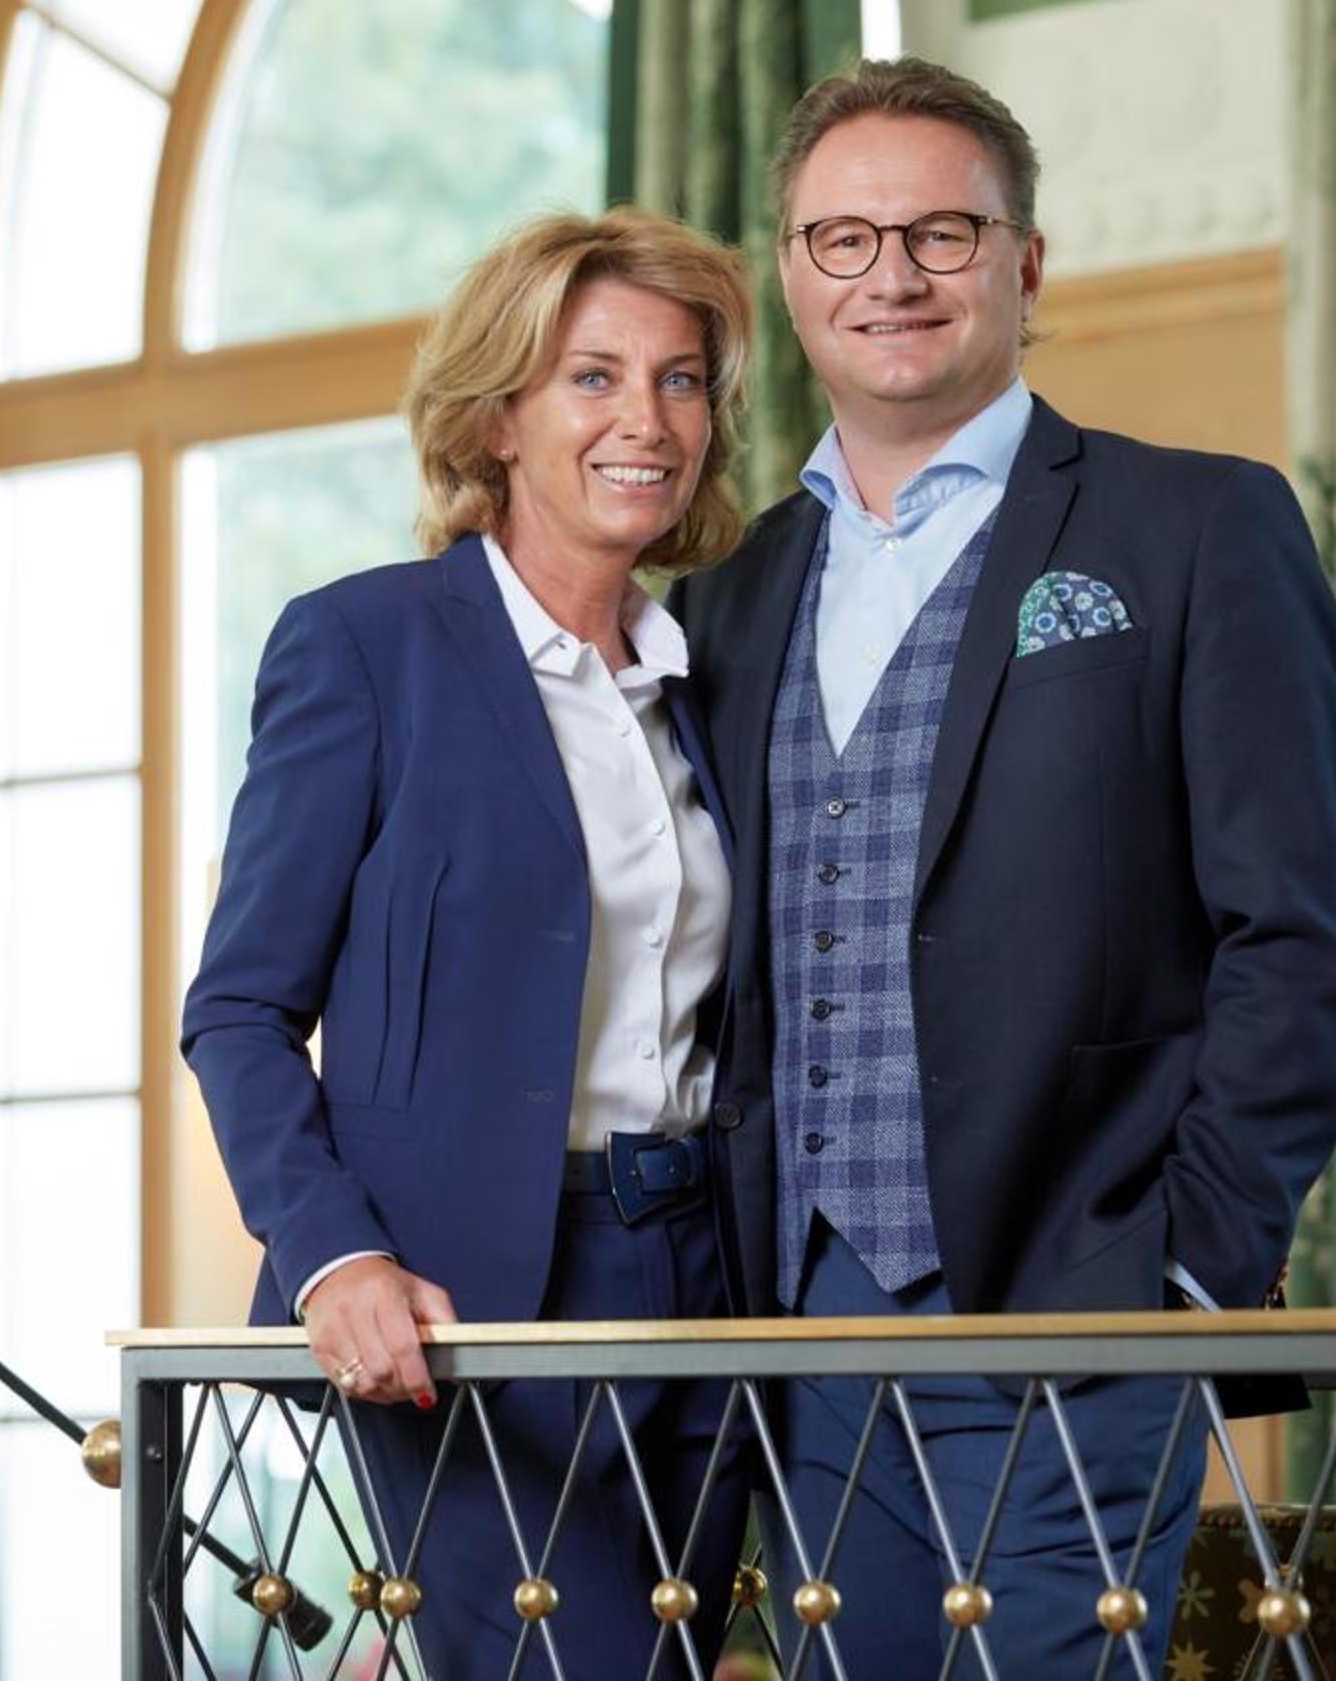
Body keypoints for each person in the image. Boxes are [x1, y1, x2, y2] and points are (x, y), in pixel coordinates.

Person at [671, 58, 1336, 1675]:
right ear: (791, 274)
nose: (893, 276)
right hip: (800, 1327)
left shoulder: (1195, 529)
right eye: (844, 239)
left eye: (943, 232)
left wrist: (1192, 1266)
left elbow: (1302, 934)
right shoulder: (725, 595)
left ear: (1026, 263)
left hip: (1091, 1298)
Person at [182, 208, 760, 1679]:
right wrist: (332, 1254)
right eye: (593, 378)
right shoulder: (366, 647)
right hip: (464, 1294)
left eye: (682, 381)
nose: (647, 421)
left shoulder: (709, 683)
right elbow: (239, 1010)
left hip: (708, 1278)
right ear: (498, 418)